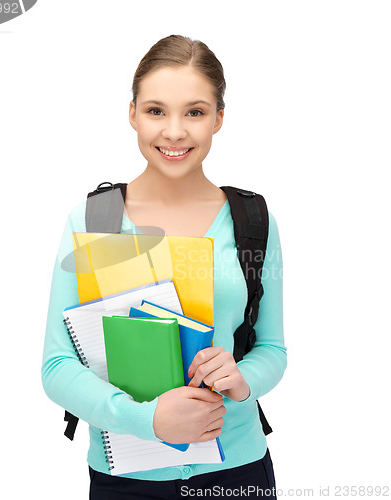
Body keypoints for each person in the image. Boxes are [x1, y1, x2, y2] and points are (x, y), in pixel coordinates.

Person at [42, 34, 287, 499]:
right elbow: (57, 366)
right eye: (156, 111)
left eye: (194, 112)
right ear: (132, 113)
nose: (174, 132)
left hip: (238, 474)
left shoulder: (253, 221)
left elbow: (272, 349)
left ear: (218, 119)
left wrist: (242, 377)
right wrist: (146, 419)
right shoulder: (97, 219)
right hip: (125, 480)